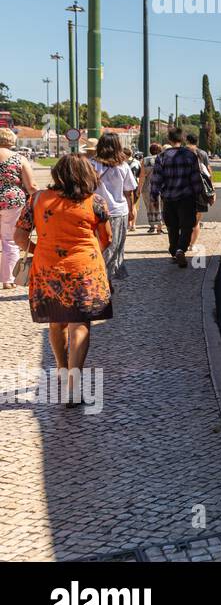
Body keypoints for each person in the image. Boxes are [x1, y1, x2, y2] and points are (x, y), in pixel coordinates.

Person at [13, 155, 113, 406]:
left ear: (57, 174)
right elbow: (107, 238)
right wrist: (88, 255)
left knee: (56, 321)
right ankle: (73, 387)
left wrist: (41, 250)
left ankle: (60, 367)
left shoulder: (36, 200)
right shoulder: (95, 202)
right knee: (80, 324)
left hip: (47, 269)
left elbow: (19, 237)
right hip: (85, 270)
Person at [150, 128, 204, 267]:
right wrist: (200, 195)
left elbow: (156, 179)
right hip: (187, 197)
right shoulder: (190, 155)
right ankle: (181, 249)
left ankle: (174, 251)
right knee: (187, 226)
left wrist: (154, 196)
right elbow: (196, 178)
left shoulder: (161, 157)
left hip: (168, 198)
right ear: (183, 139)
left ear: (169, 139)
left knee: (172, 226)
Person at [89, 133, 137, 281]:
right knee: (115, 247)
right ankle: (106, 278)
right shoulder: (123, 166)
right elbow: (129, 191)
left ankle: (100, 275)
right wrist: (132, 209)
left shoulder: (91, 164)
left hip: (95, 210)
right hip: (118, 211)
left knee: (98, 245)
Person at [0, 127, 37, 289]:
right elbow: (31, 185)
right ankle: (8, 279)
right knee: (9, 240)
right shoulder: (19, 158)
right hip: (12, 202)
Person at [185, 133, 214, 252]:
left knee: (184, 219)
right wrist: (212, 191)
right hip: (199, 190)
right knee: (196, 221)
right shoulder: (202, 154)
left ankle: (184, 243)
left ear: (186, 140)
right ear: (197, 141)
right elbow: (208, 172)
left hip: (184, 190)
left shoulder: (181, 153)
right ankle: (192, 245)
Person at [138, 142, 164, 234]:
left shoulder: (145, 160)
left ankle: (152, 226)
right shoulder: (163, 159)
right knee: (161, 206)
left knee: (149, 207)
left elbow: (142, 176)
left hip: (148, 187)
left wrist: (139, 188)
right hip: (161, 186)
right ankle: (159, 227)